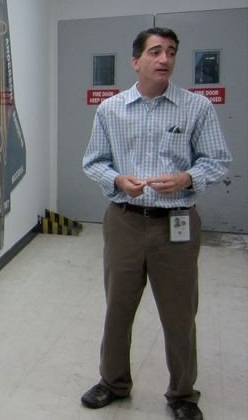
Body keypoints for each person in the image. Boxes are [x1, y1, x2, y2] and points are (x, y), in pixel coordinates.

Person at [80, 27, 231, 420]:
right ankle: (113, 382)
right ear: (136, 61)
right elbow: (93, 162)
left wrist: (186, 179)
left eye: (171, 52)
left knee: (180, 313)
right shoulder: (111, 110)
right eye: (155, 51)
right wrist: (116, 180)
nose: (164, 59)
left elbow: (217, 160)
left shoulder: (195, 108)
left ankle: (182, 394)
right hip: (125, 222)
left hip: (177, 224)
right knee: (118, 307)